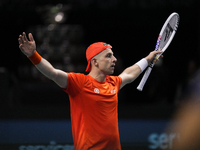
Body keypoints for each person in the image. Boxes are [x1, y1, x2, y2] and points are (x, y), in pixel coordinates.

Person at [18, 32, 162, 150]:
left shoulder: (113, 83)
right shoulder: (79, 83)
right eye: (108, 55)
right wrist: (33, 55)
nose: (115, 59)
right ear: (95, 62)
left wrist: (148, 59)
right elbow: (53, 73)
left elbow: (129, 74)